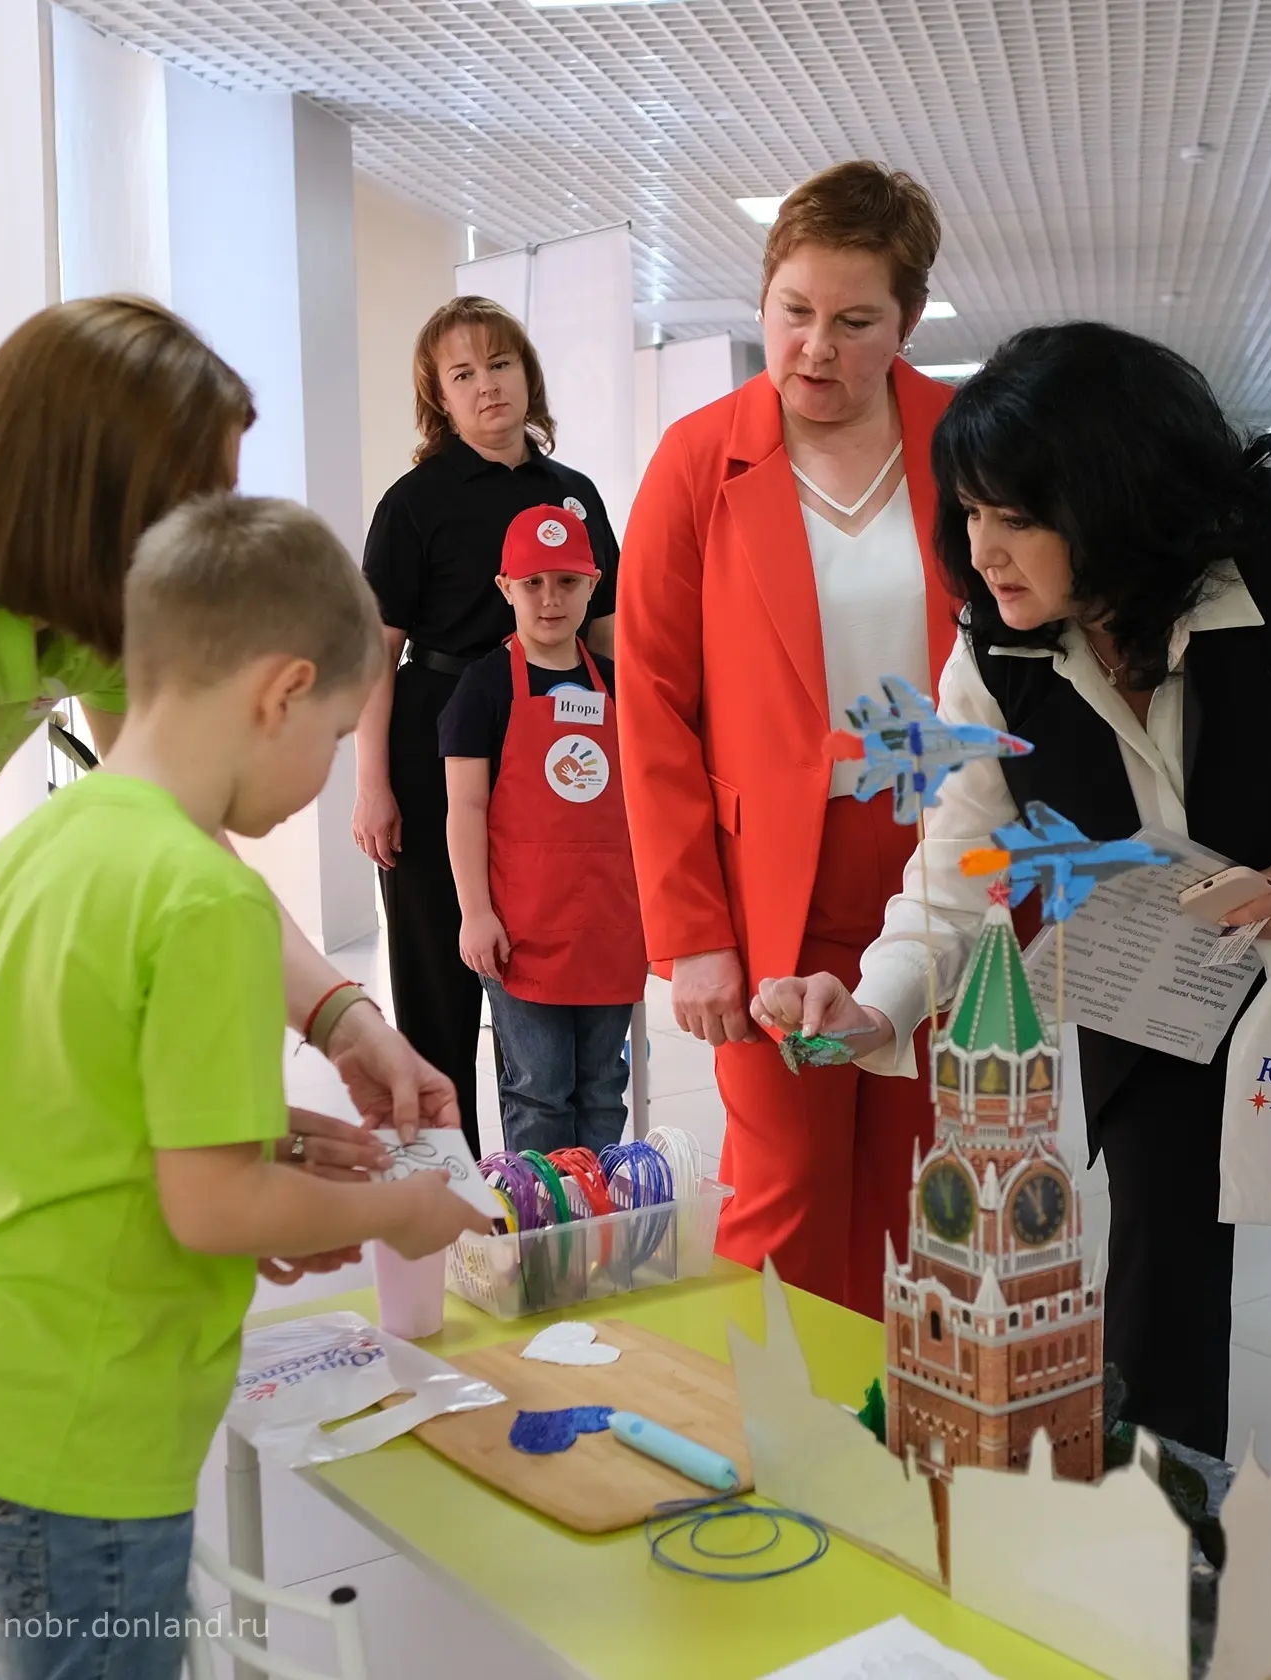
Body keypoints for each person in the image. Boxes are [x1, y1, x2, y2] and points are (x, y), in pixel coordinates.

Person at [755, 321, 1271, 1518]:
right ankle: (1161, 1540)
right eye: (971, 513)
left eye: (1018, 518)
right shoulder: (997, 647)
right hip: (1161, 974)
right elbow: (958, 864)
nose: (983, 552)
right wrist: (874, 1001)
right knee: (1158, 1262)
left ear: (1115, 500)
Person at [0, 496, 489, 1680]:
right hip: (84, 1427)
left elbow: (54, 1097)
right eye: (334, 736)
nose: (325, 775)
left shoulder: (51, 837)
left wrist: (269, 1160)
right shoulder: (207, 899)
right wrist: (400, 1210)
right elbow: (210, 1208)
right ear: (282, 693)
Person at [0, 295, 445, 1158]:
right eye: (202, 506)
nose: (221, 545)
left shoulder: (91, 616)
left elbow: (190, 833)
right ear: (98, 503)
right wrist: (217, 1155)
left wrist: (341, 1019)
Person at [618, 162, 960, 1316]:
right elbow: (651, 705)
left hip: (939, 861)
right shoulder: (699, 461)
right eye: (794, 311)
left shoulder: (965, 449)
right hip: (772, 880)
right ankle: (770, 1419)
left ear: (906, 322)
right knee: (788, 1190)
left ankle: (896, 1413)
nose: (816, 348)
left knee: (922, 1188)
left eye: (855, 322)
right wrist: (692, 935)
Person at [354, 298, 621, 1158]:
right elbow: (375, 654)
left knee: (543, 968)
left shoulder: (573, 495)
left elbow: (609, 641)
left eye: (500, 365)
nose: (487, 387)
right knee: (439, 980)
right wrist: (372, 785)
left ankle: (550, 1182)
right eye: (462, 375)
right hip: (436, 738)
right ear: (440, 397)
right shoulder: (414, 503)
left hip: (556, 747)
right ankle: (451, 1187)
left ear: (526, 375)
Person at [442, 505, 646, 1155]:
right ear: (506, 589)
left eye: (567, 581)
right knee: (540, 1088)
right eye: (533, 583)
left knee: (603, 1087)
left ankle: (596, 1215)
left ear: (593, 586)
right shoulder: (482, 689)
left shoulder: (621, 687)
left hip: (609, 926)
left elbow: (649, 805)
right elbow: (464, 809)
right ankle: (543, 1221)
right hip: (522, 933)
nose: (550, 599)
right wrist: (475, 913)